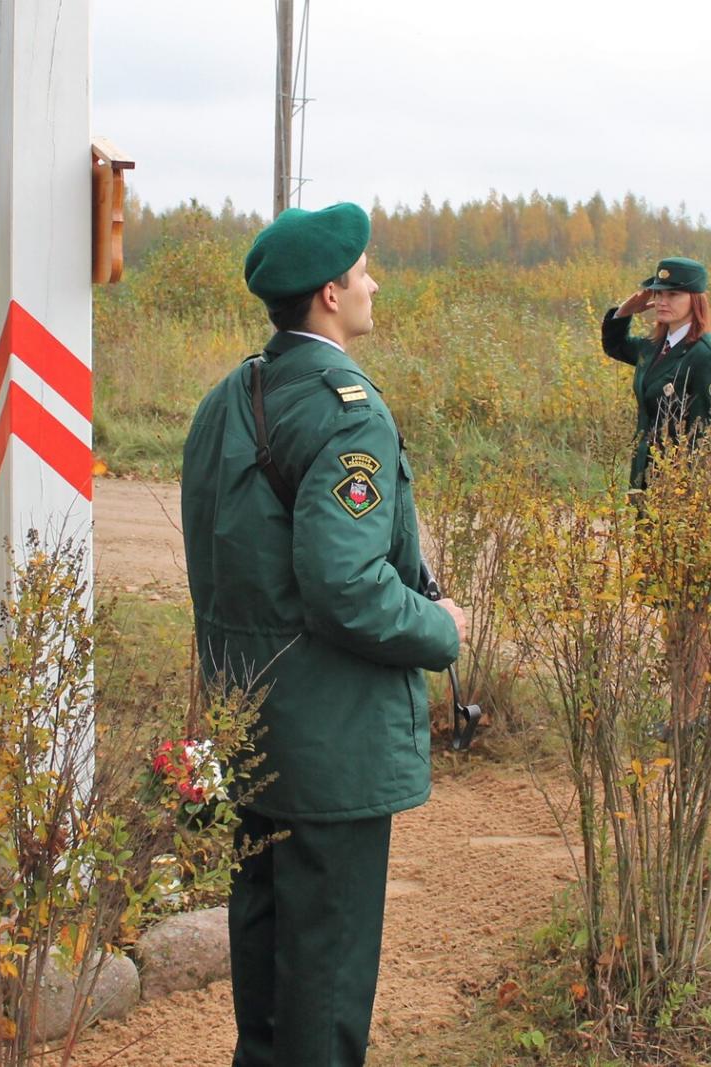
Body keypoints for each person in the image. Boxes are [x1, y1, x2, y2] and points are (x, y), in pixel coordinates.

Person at [180, 202, 466, 1066]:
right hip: (330, 741)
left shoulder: (230, 396)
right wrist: (440, 626)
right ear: (331, 294)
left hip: (253, 724)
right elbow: (344, 585)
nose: (374, 283)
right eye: (365, 272)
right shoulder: (347, 413)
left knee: (266, 975)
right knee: (327, 983)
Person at [600, 257, 711, 491]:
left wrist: (686, 489)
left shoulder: (705, 355)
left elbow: (706, 431)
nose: (662, 301)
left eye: (673, 295)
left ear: (695, 300)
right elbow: (615, 345)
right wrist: (625, 311)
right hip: (643, 470)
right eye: (658, 294)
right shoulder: (653, 346)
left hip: (676, 480)